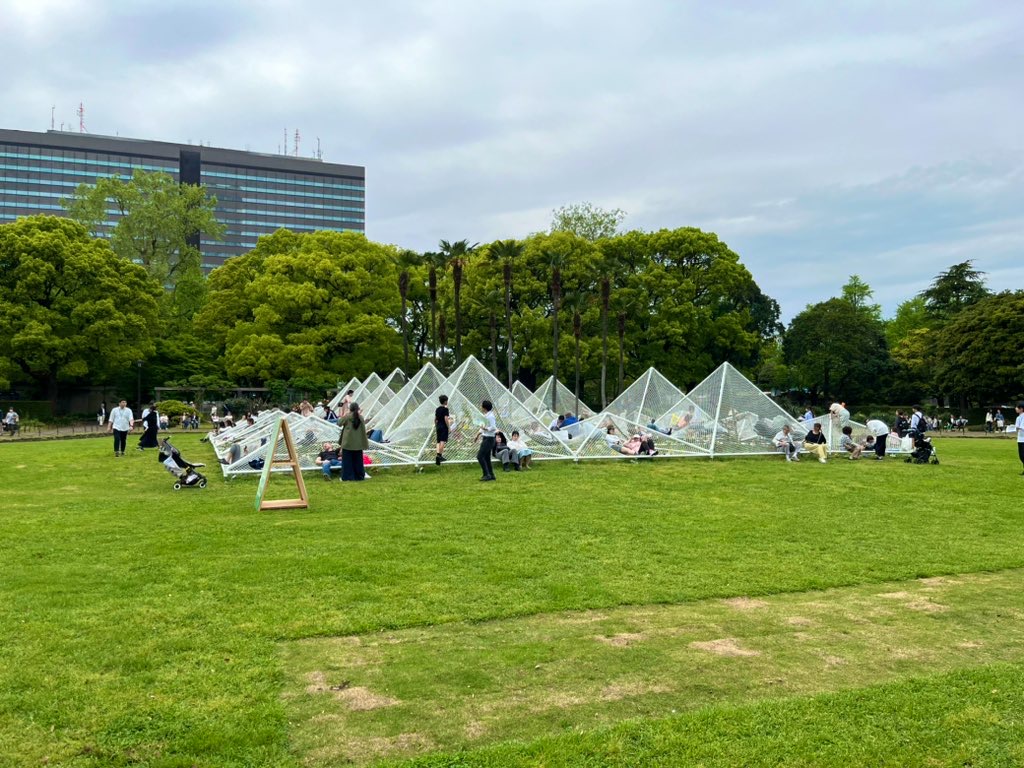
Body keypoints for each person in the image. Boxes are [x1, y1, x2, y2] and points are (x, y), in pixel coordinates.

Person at [337, 402, 369, 481]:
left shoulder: (347, 417)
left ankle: (348, 477)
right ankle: (359, 476)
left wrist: (344, 414)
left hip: (348, 442)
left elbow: (339, 423)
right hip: (358, 443)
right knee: (358, 462)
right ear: (358, 408)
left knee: (347, 462)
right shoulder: (361, 417)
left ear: (350, 409)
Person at [473, 399, 497, 481]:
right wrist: (477, 434)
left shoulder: (490, 417)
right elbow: (482, 426)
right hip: (486, 438)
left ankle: (486, 474)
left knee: (480, 456)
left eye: (481, 406)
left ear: (484, 408)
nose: (481, 407)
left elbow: (493, 428)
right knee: (486, 458)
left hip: (489, 439)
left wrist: (485, 428)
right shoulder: (486, 416)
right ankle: (491, 475)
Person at [434, 394, 452, 465]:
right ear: (445, 401)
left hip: (438, 426)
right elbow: (446, 418)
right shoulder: (445, 409)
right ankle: (440, 455)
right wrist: (449, 427)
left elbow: (435, 419)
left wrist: (436, 426)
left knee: (438, 441)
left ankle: (438, 455)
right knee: (442, 441)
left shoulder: (437, 409)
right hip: (444, 426)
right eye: (447, 401)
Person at [1014, 402, 1024, 475]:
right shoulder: (1018, 417)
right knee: (1021, 456)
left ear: (1021, 409)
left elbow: (1022, 427)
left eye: (1017, 407)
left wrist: (1016, 427)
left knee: (1023, 456)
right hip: (1020, 438)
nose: (1016, 408)